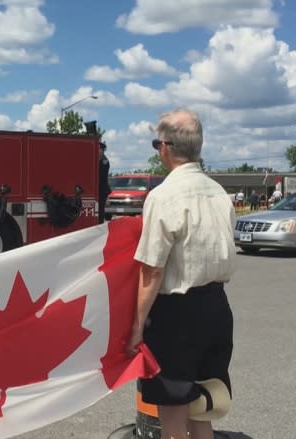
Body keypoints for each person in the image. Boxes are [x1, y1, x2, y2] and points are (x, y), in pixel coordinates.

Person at [126, 109, 236, 439]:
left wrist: (136, 328)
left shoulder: (163, 196)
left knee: (172, 414)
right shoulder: (219, 193)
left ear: (166, 147)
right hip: (217, 308)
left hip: (176, 317)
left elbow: (152, 270)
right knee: (203, 406)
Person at [98, 141, 111, 223]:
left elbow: (101, 175)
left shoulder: (104, 160)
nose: (98, 151)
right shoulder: (98, 159)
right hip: (99, 189)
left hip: (102, 189)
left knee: (100, 211)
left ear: (102, 150)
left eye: (99, 149)